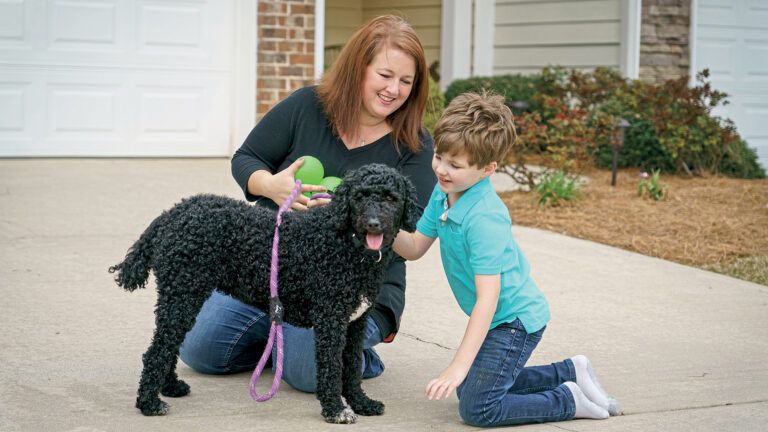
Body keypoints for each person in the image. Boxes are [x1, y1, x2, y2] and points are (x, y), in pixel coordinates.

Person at [179, 15, 437, 393]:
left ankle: (352, 357)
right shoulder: (307, 105)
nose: (393, 89)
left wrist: (353, 218)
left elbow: (412, 229)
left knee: (309, 376)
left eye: (405, 81)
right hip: (272, 270)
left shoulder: (413, 144)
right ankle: (280, 339)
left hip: (353, 285)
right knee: (199, 351)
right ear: (358, 68)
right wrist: (271, 186)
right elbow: (246, 158)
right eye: (384, 75)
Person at [392, 92, 620, 426]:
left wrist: (458, 364)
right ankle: (571, 371)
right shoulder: (444, 192)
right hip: (498, 319)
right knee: (470, 388)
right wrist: (380, 228)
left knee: (478, 408)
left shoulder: (484, 217)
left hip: (514, 322)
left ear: (487, 169)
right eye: (439, 156)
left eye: (455, 165)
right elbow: (413, 247)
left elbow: (488, 298)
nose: (441, 169)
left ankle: (567, 399)